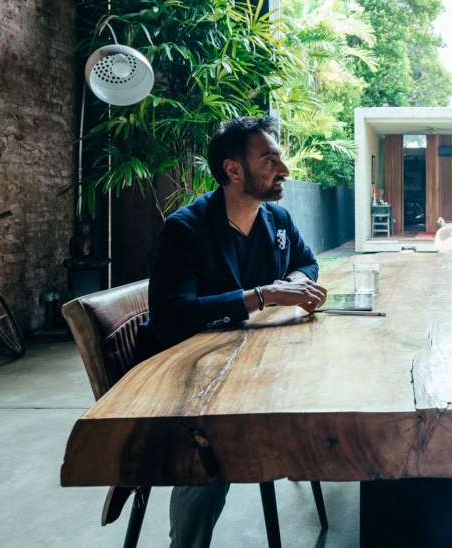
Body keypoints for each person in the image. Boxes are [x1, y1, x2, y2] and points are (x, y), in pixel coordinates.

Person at [141, 115, 328, 548]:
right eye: (270, 160)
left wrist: (297, 281)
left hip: (251, 363)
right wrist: (262, 295)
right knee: (214, 443)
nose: (283, 170)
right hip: (184, 375)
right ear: (233, 169)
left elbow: (307, 262)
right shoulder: (185, 229)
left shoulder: (276, 220)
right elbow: (171, 316)